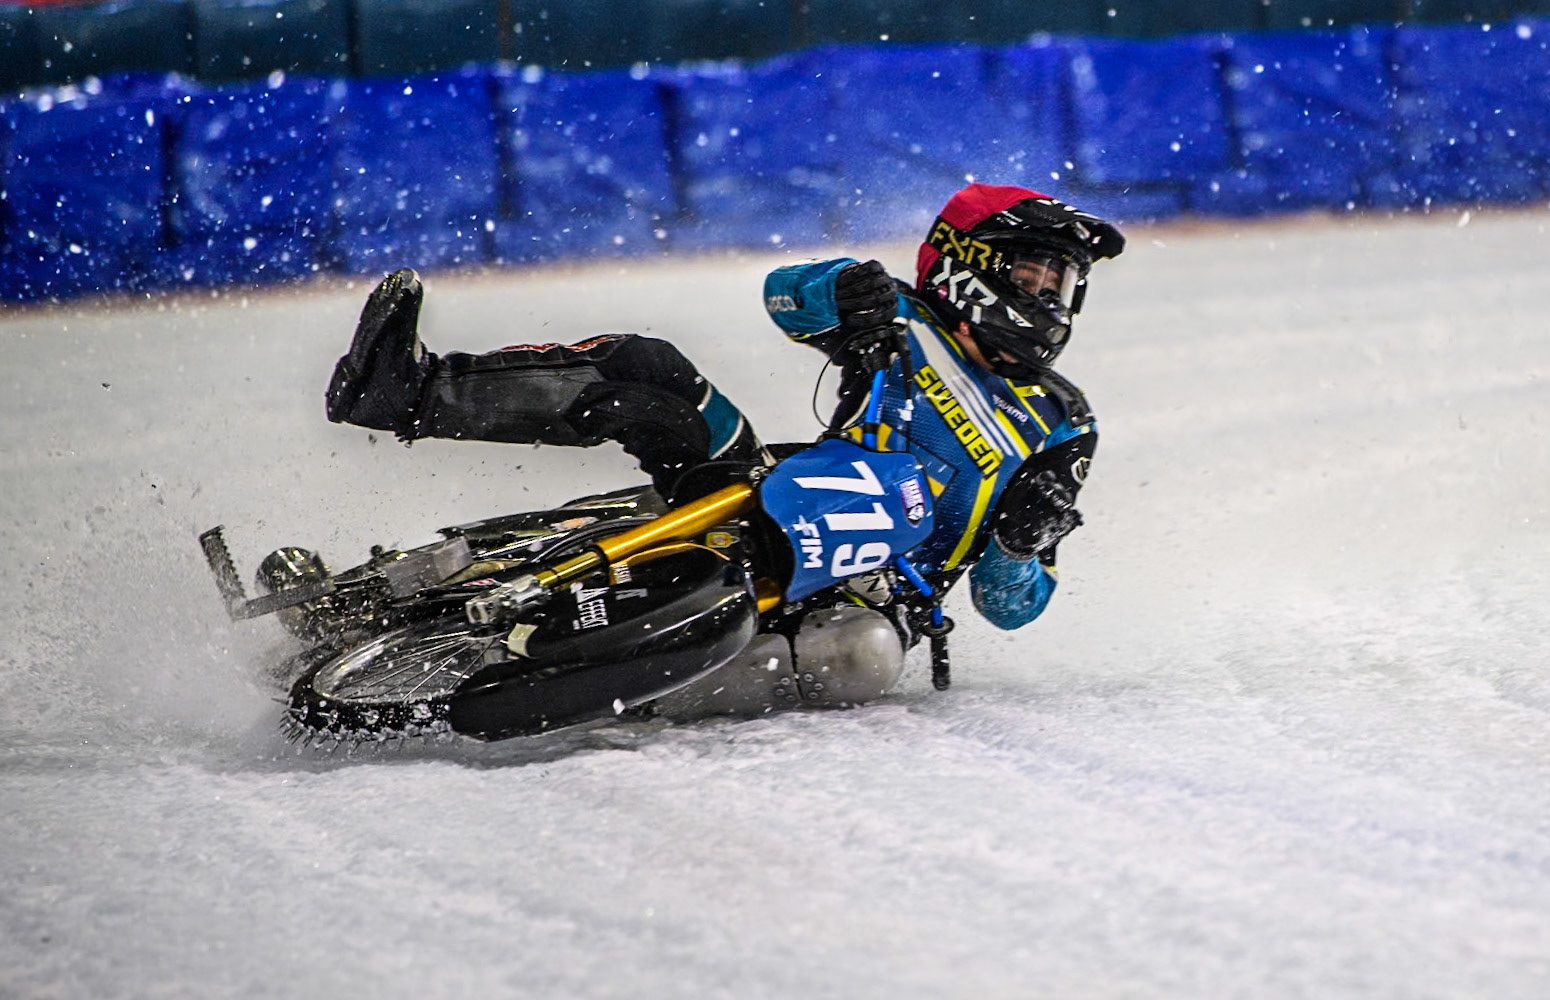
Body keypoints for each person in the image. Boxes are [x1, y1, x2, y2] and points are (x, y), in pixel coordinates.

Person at [324, 183, 1124, 718]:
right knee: (648, 371)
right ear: (970, 266)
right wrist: (840, 290)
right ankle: (410, 391)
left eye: (1060, 283)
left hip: (866, 600)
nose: (1049, 297)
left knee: (862, 652)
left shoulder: (1062, 423)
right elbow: (788, 296)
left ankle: (575, 667)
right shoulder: (901, 317)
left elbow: (1009, 604)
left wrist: (1022, 544)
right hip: (777, 495)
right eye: (1035, 275)